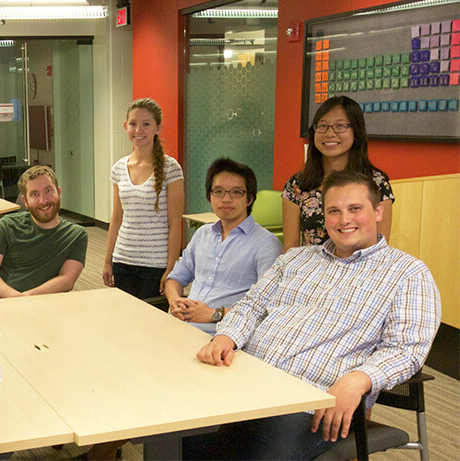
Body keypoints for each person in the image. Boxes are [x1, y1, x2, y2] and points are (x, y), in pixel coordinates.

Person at [187, 170, 440, 460]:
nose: (344, 220)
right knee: (173, 438)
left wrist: (358, 380)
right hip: (243, 383)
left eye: (355, 209)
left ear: (378, 211)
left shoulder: (408, 273)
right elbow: (251, 306)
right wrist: (226, 337)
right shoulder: (297, 258)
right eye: (334, 211)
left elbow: (407, 350)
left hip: (309, 404)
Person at [166, 158, 283, 334]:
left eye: (236, 192)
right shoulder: (202, 234)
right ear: (209, 196)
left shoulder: (266, 244)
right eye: (218, 191)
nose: (226, 199)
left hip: (222, 336)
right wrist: (175, 300)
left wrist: (213, 314)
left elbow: (267, 308)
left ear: (249, 198)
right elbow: (174, 278)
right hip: (181, 327)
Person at [282, 95, 393, 251]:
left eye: (340, 126)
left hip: (361, 272)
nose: (330, 133)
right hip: (310, 271)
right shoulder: (297, 185)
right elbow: (290, 248)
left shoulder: (376, 183)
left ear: (356, 132)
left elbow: (380, 248)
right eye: (322, 126)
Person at [103, 97, 184, 302]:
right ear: (125, 126)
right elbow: (117, 219)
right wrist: (108, 261)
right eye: (133, 124)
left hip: (155, 263)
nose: (138, 130)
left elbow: (175, 223)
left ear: (158, 128)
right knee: (125, 320)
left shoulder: (170, 168)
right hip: (123, 259)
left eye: (146, 124)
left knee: (153, 324)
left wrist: (171, 268)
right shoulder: (119, 168)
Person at [0, 165, 88, 297]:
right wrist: (16, 297)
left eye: (48, 190)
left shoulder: (76, 235)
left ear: (59, 192)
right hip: (6, 303)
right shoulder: (7, 226)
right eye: (34, 194)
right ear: (25, 201)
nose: (43, 201)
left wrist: (27, 298)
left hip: (51, 305)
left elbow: (67, 280)